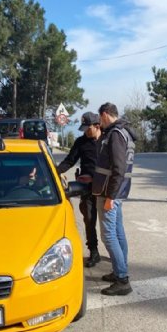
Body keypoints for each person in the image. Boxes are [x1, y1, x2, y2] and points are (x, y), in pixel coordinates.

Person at [92, 102, 136, 296]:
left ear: (104, 115)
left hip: (109, 192)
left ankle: (122, 279)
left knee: (108, 235)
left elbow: (118, 168)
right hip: (115, 191)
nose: (99, 123)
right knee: (118, 232)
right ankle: (119, 270)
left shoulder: (115, 134)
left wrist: (110, 196)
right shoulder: (124, 132)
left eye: (99, 119)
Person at [57, 112, 102, 267]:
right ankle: (94, 252)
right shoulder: (81, 142)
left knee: (109, 225)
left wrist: (94, 177)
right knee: (89, 220)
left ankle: (118, 257)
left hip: (105, 188)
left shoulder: (107, 141)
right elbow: (69, 161)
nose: (85, 131)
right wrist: (52, 172)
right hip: (87, 190)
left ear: (97, 126)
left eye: (87, 128)